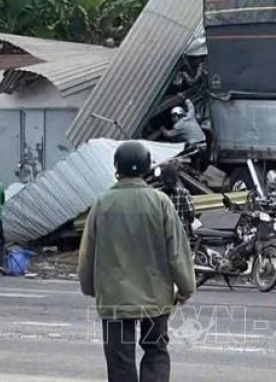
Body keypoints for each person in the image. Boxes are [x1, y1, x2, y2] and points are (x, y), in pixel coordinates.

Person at [78, 141, 195, 382]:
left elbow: (87, 252)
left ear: (116, 167)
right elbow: (177, 251)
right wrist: (185, 287)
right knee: (155, 351)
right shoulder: (161, 202)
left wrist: (89, 286)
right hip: (155, 295)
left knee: (120, 360)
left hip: (114, 296)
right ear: (147, 167)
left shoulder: (102, 203)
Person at [161, 96, 208, 172]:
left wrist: (162, 129)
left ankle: (193, 171)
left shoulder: (179, 125)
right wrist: (186, 99)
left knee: (178, 156)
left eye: (173, 117)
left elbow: (169, 135)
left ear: (177, 115)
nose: (172, 119)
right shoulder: (190, 116)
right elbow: (191, 107)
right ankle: (196, 170)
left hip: (196, 147)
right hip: (204, 144)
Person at [159, 164, 195, 238]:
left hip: (163, 234)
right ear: (176, 179)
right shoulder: (184, 193)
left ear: (162, 179)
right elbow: (191, 213)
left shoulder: (157, 195)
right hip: (181, 233)